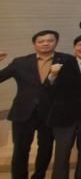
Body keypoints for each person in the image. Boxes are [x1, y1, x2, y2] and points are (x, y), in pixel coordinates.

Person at [0, 30, 69, 179]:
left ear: (56, 42)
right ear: (34, 44)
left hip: (51, 113)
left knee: (46, 148)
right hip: (23, 112)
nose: (45, 43)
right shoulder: (20, 62)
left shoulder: (67, 60)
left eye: (49, 40)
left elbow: (73, 86)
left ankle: (39, 176)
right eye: (41, 41)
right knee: (20, 150)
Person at [46, 34, 81, 179]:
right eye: (80, 45)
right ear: (74, 47)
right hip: (63, 117)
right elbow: (49, 89)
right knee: (62, 154)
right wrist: (52, 76)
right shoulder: (62, 63)